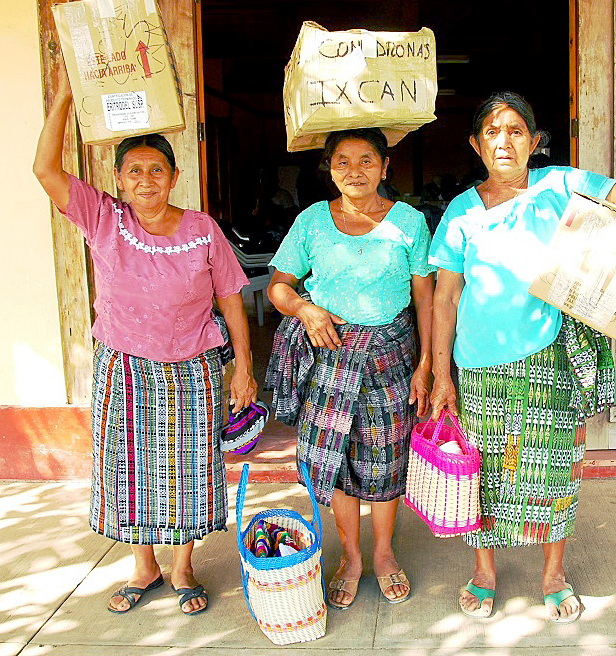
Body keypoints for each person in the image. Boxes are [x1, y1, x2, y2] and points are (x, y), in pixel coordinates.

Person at [429, 91, 616, 623]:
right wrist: (442, 373)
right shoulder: (461, 212)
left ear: (534, 141)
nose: (504, 142)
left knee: (554, 472)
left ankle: (553, 573)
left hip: (549, 359)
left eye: (516, 131)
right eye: (493, 132)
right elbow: (445, 295)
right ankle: (484, 571)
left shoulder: (559, 186)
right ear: (475, 144)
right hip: (477, 365)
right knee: (483, 476)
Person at [32, 60, 257, 616]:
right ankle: (144, 567)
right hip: (124, 368)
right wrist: (64, 95)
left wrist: (244, 366)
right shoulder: (104, 218)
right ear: (118, 180)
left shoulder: (202, 229)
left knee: (187, 470)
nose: (145, 181)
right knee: (128, 469)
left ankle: (182, 569)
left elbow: (231, 296)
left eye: (156, 170)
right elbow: (44, 168)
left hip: (191, 368)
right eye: (133, 172)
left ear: (173, 176)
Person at [264, 128, 435, 609]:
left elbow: (425, 297)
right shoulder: (313, 221)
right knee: (336, 461)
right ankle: (350, 556)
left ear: (385, 167)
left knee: (384, 459)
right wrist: (305, 309)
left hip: (390, 356)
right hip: (330, 356)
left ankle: (383, 554)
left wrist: (425, 364)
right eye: (342, 162)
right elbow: (279, 285)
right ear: (330, 168)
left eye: (366, 161)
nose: (354, 171)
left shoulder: (409, 222)